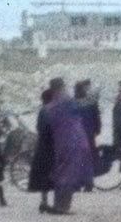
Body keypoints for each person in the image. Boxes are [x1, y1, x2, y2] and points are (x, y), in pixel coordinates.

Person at [44, 82, 96, 214]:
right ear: (61, 88)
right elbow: (85, 103)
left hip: (60, 142)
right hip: (72, 142)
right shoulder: (66, 102)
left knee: (61, 173)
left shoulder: (52, 106)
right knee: (68, 175)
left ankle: (58, 205)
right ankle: (62, 207)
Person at [28, 79, 61, 210]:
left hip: (42, 146)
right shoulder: (53, 111)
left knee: (44, 174)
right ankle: (55, 203)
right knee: (55, 173)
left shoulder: (42, 111)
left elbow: (39, 127)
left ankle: (44, 201)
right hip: (52, 146)